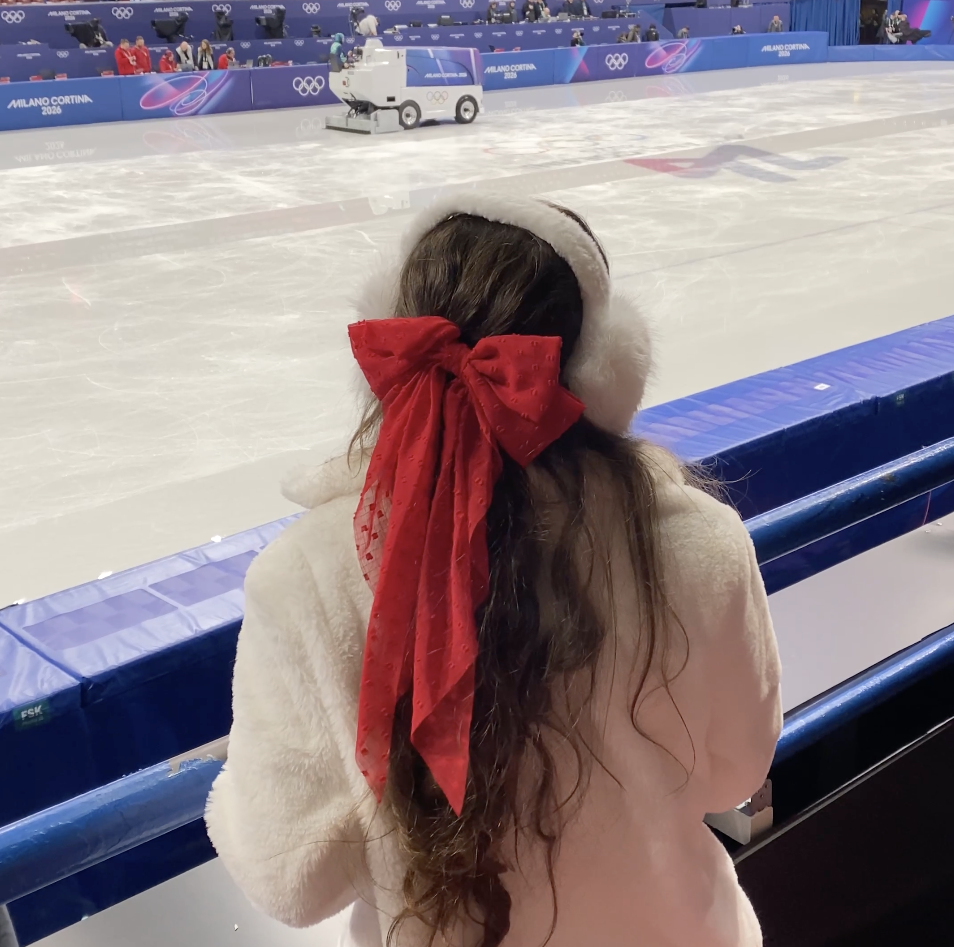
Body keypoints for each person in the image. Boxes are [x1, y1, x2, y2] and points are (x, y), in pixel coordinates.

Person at [206, 195, 782, 947]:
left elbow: (292, 878)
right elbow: (733, 774)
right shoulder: (702, 542)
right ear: (603, 366)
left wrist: (232, 787)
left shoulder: (306, 577)